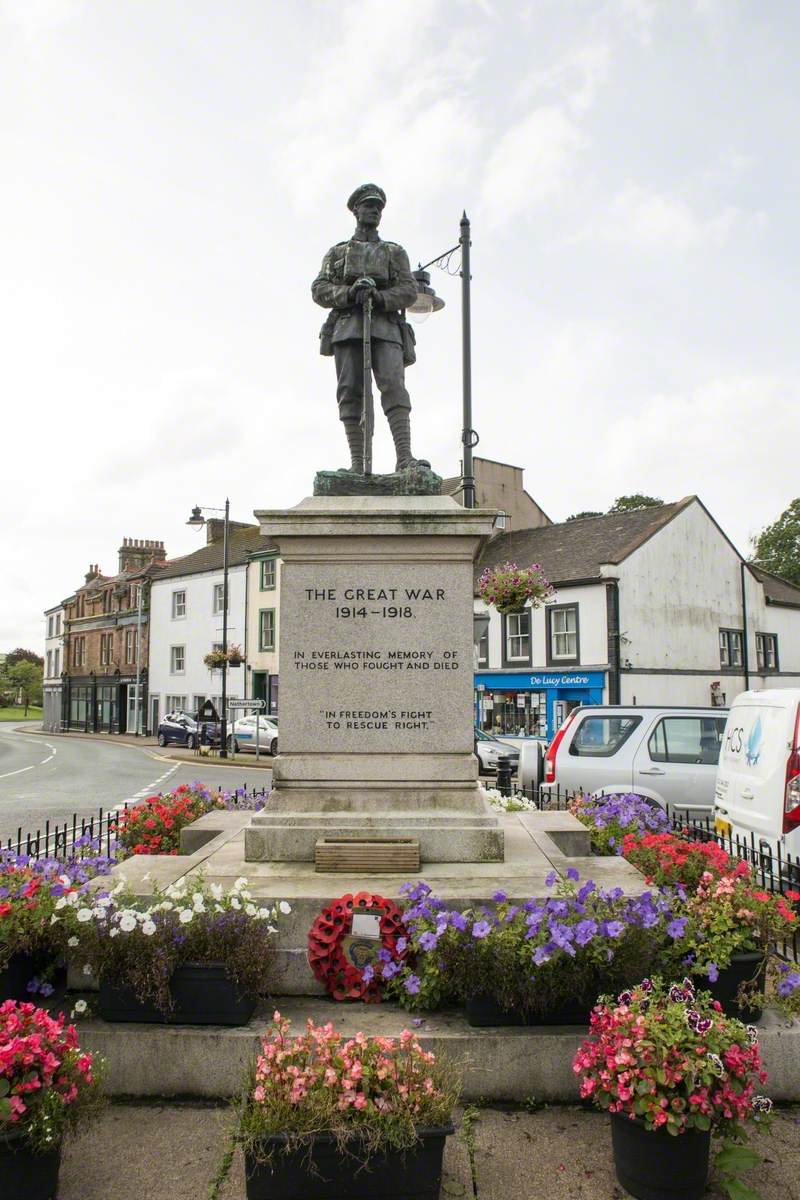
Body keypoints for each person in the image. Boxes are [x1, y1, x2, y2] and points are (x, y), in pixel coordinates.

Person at [312, 184, 421, 473]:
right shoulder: (337, 253)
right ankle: (358, 465)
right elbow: (319, 289)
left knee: (394, 387)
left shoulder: (394, 252)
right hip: (348, 328)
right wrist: (349, 293)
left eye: (378, 207)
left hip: (386, 327)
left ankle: (405, 458)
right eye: (368, 205)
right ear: (356, 210)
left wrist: (381, 297)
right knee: (350, 392)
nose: (374, 211)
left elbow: (409, 290)